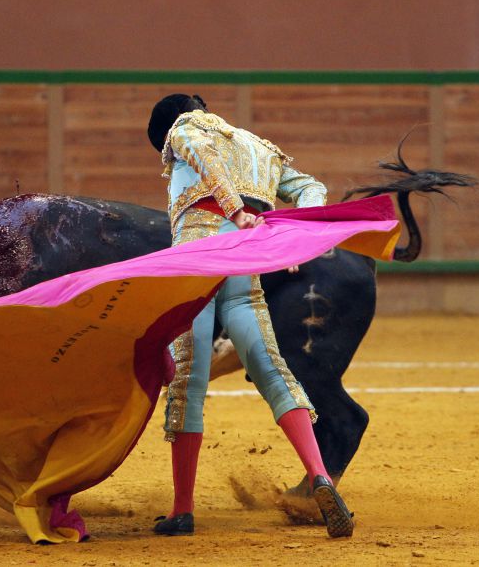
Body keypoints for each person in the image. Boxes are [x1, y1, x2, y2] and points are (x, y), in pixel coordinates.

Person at [146, 93, 354, 539]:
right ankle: (319, 476)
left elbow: (198, 152)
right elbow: (310, 188)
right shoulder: (260, 147)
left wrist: (234, 210)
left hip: (198, 260)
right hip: (245, 262)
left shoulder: (184, 128)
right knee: (272, 369)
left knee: (188, 380)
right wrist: (292, 235)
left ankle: (182, 510)